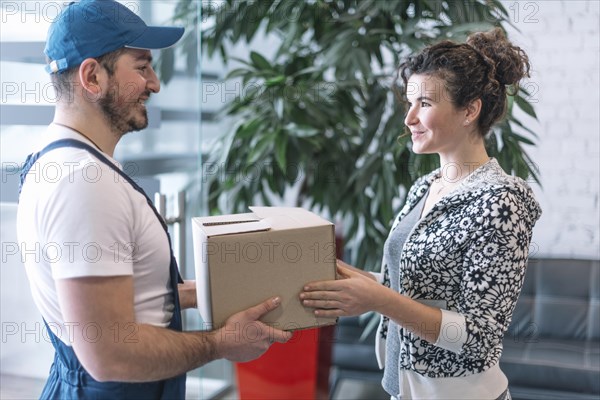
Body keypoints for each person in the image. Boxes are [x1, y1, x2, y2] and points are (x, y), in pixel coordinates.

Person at [17, 1, 290, 398]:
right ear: (92, 77)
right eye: (142, 67)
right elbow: (111, 354)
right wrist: (220, 342)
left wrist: (215, 291)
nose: (155, 83)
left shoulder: (61, 162)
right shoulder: (83, 182)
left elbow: (117, 300)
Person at [300, 28, 541, 400]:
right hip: (405, 389)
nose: (409, 118)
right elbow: (422, 285)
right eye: (409, 103)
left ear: (470, 110)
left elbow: (478, 339)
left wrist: (377, 300)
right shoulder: (426, 186)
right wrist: (360, 282)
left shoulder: (501, 202)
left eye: (424, 104)